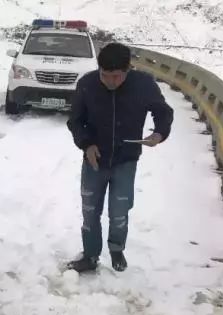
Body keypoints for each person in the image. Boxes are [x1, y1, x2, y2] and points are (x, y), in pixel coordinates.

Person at [66, 42, 174, 273]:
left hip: (126, 161)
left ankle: (116, 249)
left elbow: (163, 112)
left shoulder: (143, 84)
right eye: (105, 76)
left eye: (116, 76)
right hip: (95, 161)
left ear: (128, 69)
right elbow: (75, 121)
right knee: (90, 211)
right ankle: (91, 255)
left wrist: (159, 132)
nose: (110, 82)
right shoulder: (87, 84)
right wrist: (87, 144)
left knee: (119, 211)